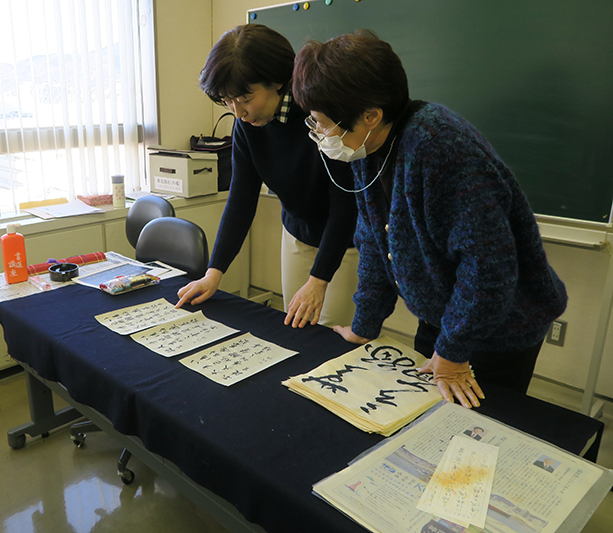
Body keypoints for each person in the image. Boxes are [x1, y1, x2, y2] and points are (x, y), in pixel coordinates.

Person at [291, 29, 568, 408]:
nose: (320, 133)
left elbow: (489, 267)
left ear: (370, 115)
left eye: (322, 123)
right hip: (443, 316)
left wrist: (453, 354)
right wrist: (364, 328)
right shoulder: (367, 147)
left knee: (474, 433)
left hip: (500, 326)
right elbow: (373, 242)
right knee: (421, 417)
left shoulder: (440, 147)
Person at [175, 24, 359, 329]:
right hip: (296, 232)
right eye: (227, 100)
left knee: (328, 339)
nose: (238, 112)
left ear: (277, 80)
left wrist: (319, 280)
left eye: (245, 98)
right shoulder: (247, 126)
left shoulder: (320, 113)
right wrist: (214, 272)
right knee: (295, 328)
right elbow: (241, 199)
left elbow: (345, 202)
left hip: (344, 239)